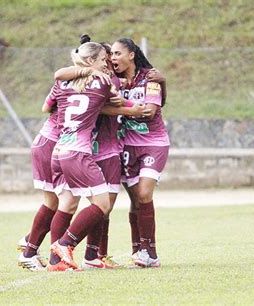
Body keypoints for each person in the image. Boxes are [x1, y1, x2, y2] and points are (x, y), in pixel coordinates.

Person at [46, 41, 117, 271]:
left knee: (67, 203)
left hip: (59, 151)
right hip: (78, 152)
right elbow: (115, 102)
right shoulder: (102, 82)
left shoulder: (65, 82)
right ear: (90, 61)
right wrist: (135, 108)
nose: (106, 63)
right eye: (102, 60)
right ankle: (65, 244)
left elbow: (59, 78)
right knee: (102, 203)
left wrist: (88, 70)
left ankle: (55, 262)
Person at [111, 38, 170, 268]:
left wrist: (119, 105)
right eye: (112, 55)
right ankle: (139, 250)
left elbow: (149, 111)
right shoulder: (114, 81)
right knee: (136, 200)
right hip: (126, 146)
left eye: (117, 53)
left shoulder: (150, 78)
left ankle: (151, 253)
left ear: (131, 54)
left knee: (144, 194)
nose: (113, 58)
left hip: (153, 143)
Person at [16, 86, 61, 272]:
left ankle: (30, 241)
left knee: (63, 202)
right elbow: (46, 107)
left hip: (61, 145)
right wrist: (133, 109)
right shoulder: (75, 80)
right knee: (55, 202)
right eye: (102, 59)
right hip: (50, 143)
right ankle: (29, 252)